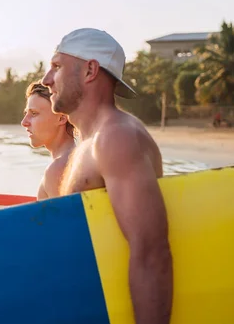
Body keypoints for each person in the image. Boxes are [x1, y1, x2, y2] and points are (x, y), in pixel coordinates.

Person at [41, 28, 173, 324]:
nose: (46, 79)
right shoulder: (87, 143)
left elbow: (151, 253)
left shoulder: (116, 137)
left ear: (90, 70)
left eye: (57, 67)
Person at [20, 81, 76, 200]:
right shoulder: (77, 157)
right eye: (26, 113)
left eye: (34, 113)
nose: (24, 122)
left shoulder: (58, 169)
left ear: (61, 118)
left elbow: (66, 219)